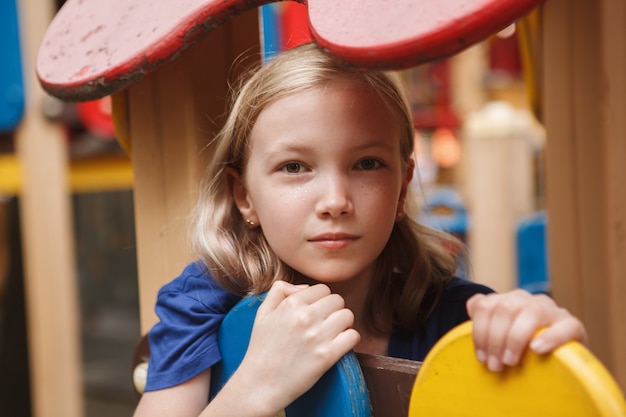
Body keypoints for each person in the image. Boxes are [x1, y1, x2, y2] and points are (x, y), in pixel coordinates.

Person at [134, 43, 586, 417]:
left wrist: (545, 360)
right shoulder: (202, 304)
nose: (335, 201)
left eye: (367, 164)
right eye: (294, 167)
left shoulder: (453, 319)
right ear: (243, 195)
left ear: (402, 185)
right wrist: (254, 389)